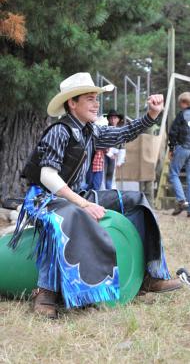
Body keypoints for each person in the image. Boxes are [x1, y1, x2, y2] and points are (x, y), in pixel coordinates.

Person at [10, 72, 181, 319]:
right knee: (68, 213)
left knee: (136, 201)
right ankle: (45, 291)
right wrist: (83, 203)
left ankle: (150, 276)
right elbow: (48, 176)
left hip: (78, 194)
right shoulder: (59, 131)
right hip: (43, 199)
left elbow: (122, 134)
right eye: (90, 98)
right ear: (72, 102)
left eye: (96, 99)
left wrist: (151, 115)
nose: (96, 104)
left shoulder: (92, 131)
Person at [168, 92, 190, 216]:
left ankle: (182, 201)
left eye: (180, 103)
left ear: (184, 102)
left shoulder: (182, 115)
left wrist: (171, 148)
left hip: (183, 147)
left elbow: (173, 132)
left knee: (174, 174)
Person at [104, 110, 125, 189]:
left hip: (114, 155)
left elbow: (122, 146)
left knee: (111, 175)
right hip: (105, 154)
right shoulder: (105, 129)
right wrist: (109, 153)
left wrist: (120, 160)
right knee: (105, 175)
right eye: (111, 118)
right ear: (108, 119)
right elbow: (102, 143)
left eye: (115, 118)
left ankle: (110, 192)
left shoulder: (120, 131)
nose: (113, 120)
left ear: (118, 119)